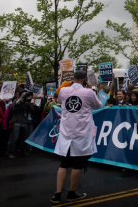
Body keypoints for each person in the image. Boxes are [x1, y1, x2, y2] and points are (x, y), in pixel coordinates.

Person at [51, 70, 102, 204]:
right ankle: (71, 193)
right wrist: (91, 90)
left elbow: (61, 100)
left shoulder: (63, 91)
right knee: (77, 165)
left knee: (64, 164)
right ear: (85, 79)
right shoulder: (88, 92)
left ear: (73, 79)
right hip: (82, 133)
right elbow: (98, 105)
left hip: (66, 132)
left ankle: (57, 194)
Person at [7, 91, 36, 158]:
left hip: (24, 122)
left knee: (24, 138)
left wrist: (28, 104)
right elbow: (12, 110)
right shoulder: (16, 102)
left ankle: (22, 152)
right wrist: (19, 104)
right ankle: (10, 152)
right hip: (16, 122)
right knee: (14, 138)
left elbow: (32, 111)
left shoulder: (27, 103)